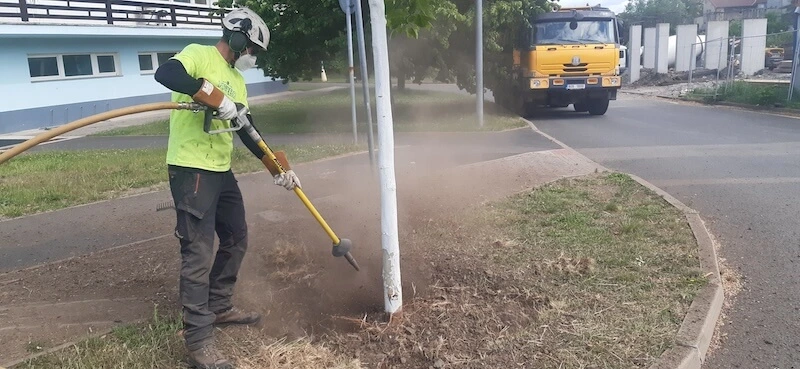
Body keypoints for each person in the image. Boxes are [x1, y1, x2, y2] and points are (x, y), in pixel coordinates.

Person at [154, 7, 301, 369]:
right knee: (198, 254)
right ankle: (199, 341)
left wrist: (278, 167)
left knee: (236, 238)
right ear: (236, 39)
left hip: (221, 169)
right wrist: (212, 95)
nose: (253, 57)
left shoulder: (238, 78)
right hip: (192, 168)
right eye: (251, 49)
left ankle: (219, 306)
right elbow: (166, 73)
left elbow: (247, 130)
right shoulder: (198, 55)